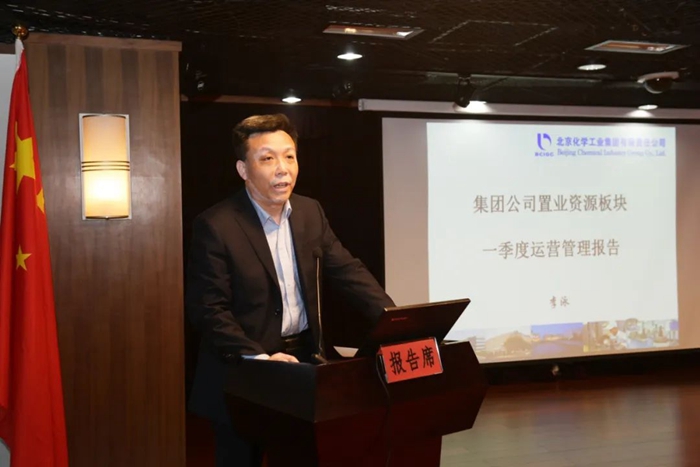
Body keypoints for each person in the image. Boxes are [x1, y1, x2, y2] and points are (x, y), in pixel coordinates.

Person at [185, 113, 395, 467]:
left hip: (303, 367)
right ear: (243, 169)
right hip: (243, 372)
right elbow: (208, 309)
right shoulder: (216, 225)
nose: (282, 168)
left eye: (290, 156)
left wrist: (396, 321)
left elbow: (349, 272)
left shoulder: (310, 212)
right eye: (268, 158)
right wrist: (260, 358)